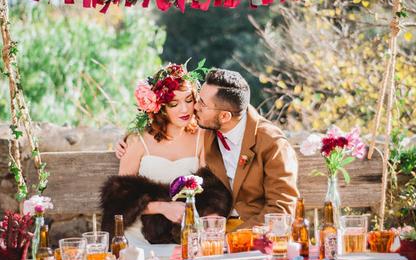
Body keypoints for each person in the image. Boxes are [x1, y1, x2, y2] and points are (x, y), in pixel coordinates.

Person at [116, 68, 299, 231]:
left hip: (253, 233)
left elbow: (281, 209)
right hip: (205, 230)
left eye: (200, 103)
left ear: (225, 116)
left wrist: (235, 238)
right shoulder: (207, 130)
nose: (194, 107)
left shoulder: (272, 144)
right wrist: (128, 138)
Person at [101, 64, 232, 260]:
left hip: (183, 233)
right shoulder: (137, 141)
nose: (184, 108)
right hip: (138, 235)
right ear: (160, 107)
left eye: (189, 100)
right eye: (173, 104)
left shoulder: (202, 137)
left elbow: (212, 190)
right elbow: (119, 201)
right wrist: (163, 207)